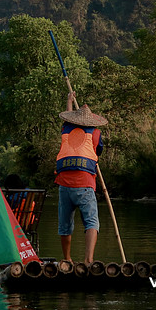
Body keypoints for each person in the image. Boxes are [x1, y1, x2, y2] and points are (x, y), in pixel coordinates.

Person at [55, 91, 106, 264]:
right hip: (84, 183)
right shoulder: (96, 133)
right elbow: (97, 152)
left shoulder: (66, 129)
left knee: (65, 226)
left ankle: (67, 259)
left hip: (64, 183)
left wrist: (69, 100)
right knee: (92, 222)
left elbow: (67, 119)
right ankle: (88, 260)